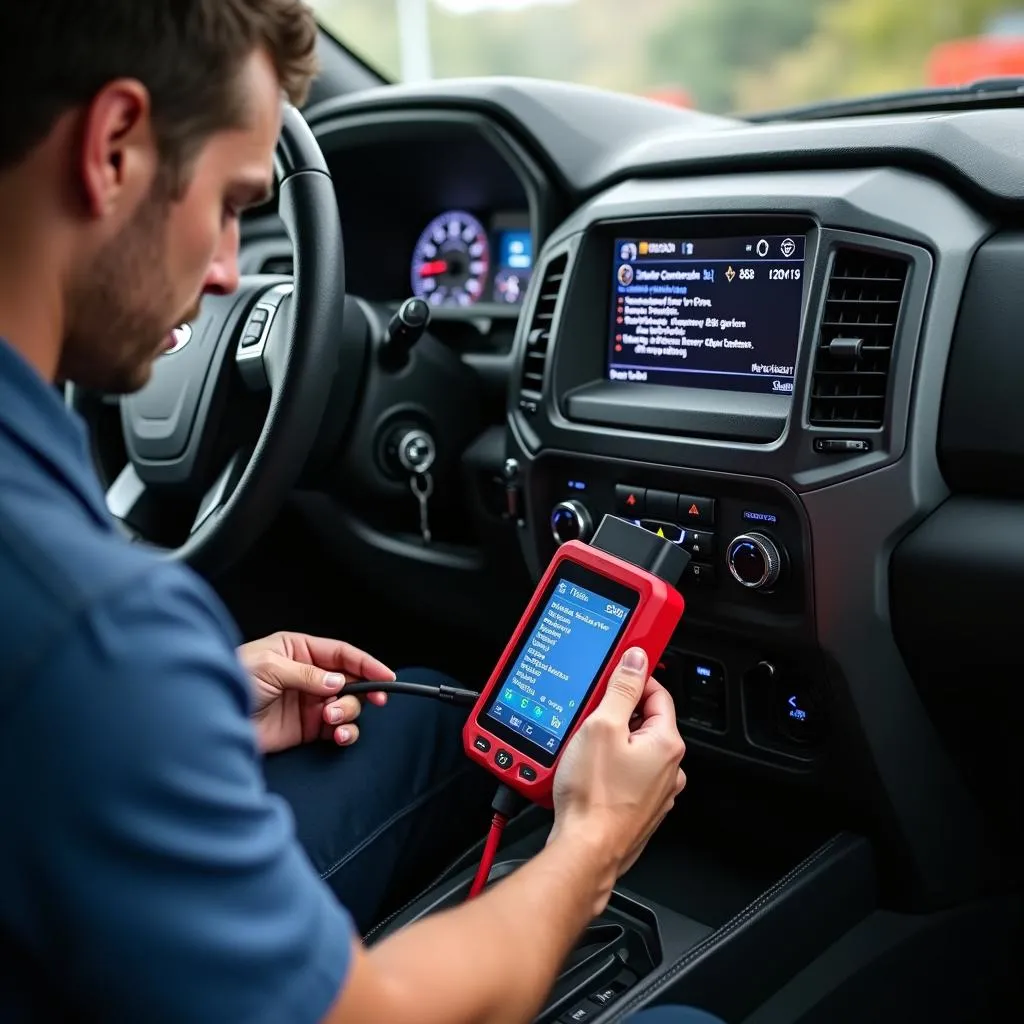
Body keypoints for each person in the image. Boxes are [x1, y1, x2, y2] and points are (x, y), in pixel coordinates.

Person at [0, 2, 723, 1022]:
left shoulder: (87, 636)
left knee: (428, 715)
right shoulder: (93, 633)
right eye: (228, 203)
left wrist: (171, 717)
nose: (226, 275)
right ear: (113, 147)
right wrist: (591, 847)